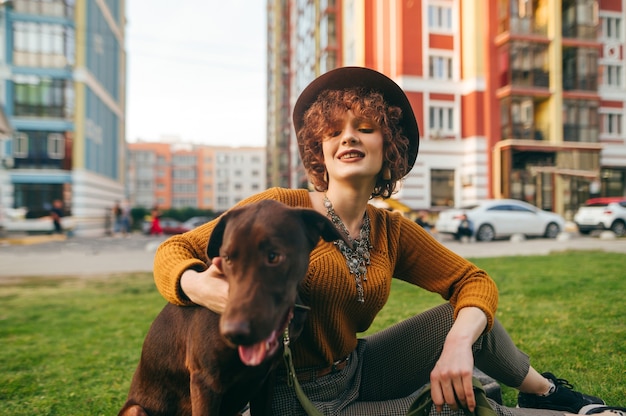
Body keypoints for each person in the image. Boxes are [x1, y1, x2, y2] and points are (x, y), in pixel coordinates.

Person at [151, 67, 622, 416]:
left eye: (364, 128)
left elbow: (472, 280)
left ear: (388, 146)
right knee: (453, 408)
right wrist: (201, 287)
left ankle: (545, 394)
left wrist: (458, 344)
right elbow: (174, 251)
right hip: (296, 399)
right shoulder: (280, 207)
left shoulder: (390, 229)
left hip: (360, 370)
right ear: (320, 149)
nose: (347, 139)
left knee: (469, 320)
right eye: (333, 132)